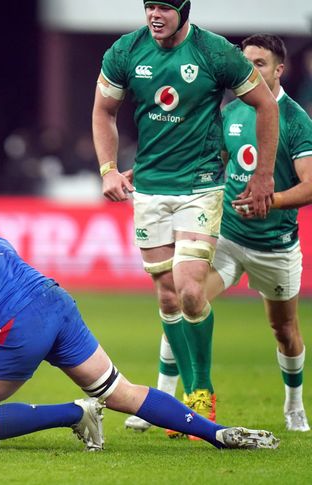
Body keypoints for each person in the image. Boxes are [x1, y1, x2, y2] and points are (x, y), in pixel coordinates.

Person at [92, 0, 279, 432]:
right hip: (150, 188)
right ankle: (186, 405)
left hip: (200, 186)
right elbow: (104, 110)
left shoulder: (214, 52)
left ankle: (200, 388)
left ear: (183, 10)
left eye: (163, 8)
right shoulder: (125, 51)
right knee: (167, 297)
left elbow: (266, 106)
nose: (154, 15)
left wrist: (264, 175)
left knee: (191, 289)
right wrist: (107, 169)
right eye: (148, 7)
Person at [0, 229, 279, 451]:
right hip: (55, 301)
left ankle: (74, 413)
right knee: (121, 393)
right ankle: (216, 434)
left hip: (21, 325)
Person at [128, 34, 312, 434]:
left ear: (280, 70)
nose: (250, 69)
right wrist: (144, 173)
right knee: (182, 296)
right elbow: (206, 161)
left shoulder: (296, 120)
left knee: (284, 330)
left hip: (275, 246)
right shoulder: (230, 113)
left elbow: (310, 184)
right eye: (245, 62)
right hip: (226, 235)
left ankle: (294, 405)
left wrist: (273, 199)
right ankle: (165, 402)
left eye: (260, 63)